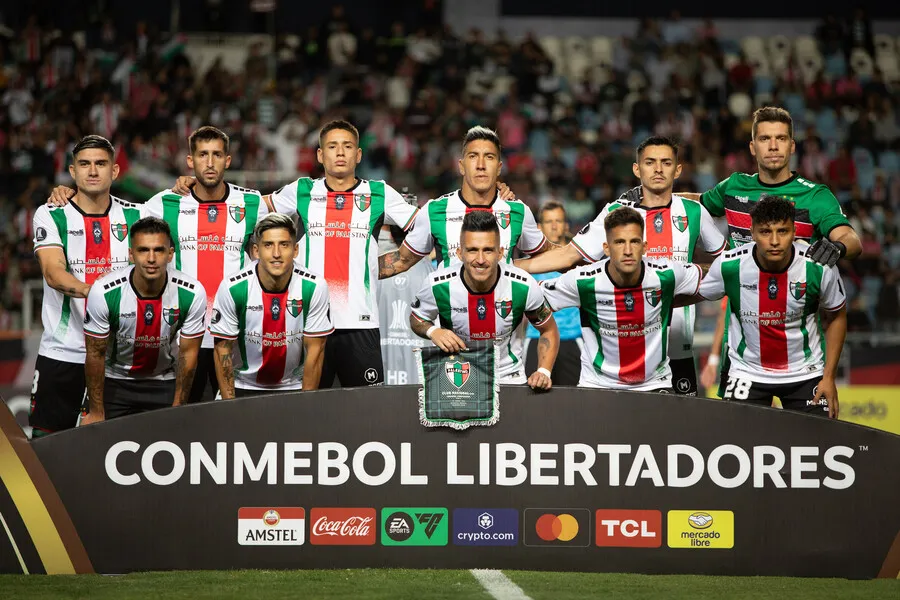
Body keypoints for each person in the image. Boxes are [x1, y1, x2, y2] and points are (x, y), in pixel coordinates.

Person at [49, 126, 270, 404]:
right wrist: (68, 195)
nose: (210, 162)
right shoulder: (163, 203)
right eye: (202, 155)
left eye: (216, 155)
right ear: (191, 161)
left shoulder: (252, 203)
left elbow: (276, 244)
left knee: (236, 422)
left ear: (228, 160)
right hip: (184, 338)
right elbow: (112, 213)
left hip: (234, 339)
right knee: (186, 424)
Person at [517, 136, 726, 395]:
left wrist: (674, 297)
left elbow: (723, 267)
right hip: (621, 340)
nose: (658, 169)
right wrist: (513, 266)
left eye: (665, 162)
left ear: (678, 169)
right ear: (637, 169)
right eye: (650, 162)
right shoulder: (616, 213)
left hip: (679, 339)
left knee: (675, 427)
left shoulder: (694, 212)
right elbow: (569, 255)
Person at [675, 107, 861, 393]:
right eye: (764, 139)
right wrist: (655, 196)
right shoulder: (734, 186)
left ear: (792, 145)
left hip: (799, 350)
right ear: (752, 146)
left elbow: (850, 238)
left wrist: (837, 246)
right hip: (742, 350)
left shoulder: (814, 196)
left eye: (781, 138)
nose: (773, 146)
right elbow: (696, 203)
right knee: (738, 438)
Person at [266, 120, 417, 389]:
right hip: (309, 323)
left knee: (367, 415)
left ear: (358, 155)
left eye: (347, 146)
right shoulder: (302, 191)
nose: (340, 152)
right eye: (332, 146)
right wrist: (191, 190)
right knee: (307, 413)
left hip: (361, 324)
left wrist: (400, 260)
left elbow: (426, 224)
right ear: (320, 155)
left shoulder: (378, 193)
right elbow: (249, 208)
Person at [679, 196, 847, 418]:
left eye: (783, 231)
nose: (775, 241)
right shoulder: (730, 264)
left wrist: (829, 377)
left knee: (818, 447)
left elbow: (837, 316)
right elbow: (696, 294)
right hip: (747, 373)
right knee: (737, 448)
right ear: (752, 232)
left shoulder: (819, 266)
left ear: (795, 231)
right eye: (766, 232)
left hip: (806, 373)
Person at [30, 135, 142, 436]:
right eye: (85, 164)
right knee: (45, 447)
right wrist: (99, 295)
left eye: (101, 163)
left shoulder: (137, 216)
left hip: (121, 357)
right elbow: (54, 273)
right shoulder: (51, 214)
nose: (93, 171)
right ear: (72, 171)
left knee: (121, 447)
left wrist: (185, 183)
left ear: (115, 171)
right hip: (63, 352)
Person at [540, 208, 703, 392]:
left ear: (644, 246)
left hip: (655, 385)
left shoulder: (667, 274)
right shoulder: (583, 281)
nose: (627, 250)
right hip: (598, 386)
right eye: (619, 242)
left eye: (634, 241)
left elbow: (718, 279)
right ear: (606, 248)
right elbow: (530, 299)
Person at [409, 211, 559, 389]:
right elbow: (417, 318)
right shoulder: (437, 284)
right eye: (472, 250)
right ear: (459, 253)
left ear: (500, 253)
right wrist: (433, 331)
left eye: (488, 250)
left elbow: (548, 331)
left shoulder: (523, 285)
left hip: (509, 379)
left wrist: (543, 371)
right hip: (458, 379)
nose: (480, 260)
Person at [378, 126, 549, 278]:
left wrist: (512, 266)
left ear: (499, 167)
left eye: (489, 157)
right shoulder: (435, 211)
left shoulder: (518, 211)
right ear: (461, 166)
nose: (481, 165)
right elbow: (401, 260)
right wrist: (355, 271)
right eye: (473, 156)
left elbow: (551, 254)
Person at [81, 218, 207, 423]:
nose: (151, 258)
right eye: (143, 250)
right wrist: (96, 411)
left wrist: (179, 406)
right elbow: (95, 353)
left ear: (170, 254)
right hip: (114, 381)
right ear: (131, 254)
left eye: (158, 250)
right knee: (94, 447)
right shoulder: (104, 291)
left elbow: (189, 355)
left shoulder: (191, 293)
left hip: (164, 380)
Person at [209, 214, 333, 398]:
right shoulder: (233, 288)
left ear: (295, 249)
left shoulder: (314, 286)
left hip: (293, 388)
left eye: (284, 244)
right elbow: (222, 350)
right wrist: (230, 404)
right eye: (268, 245)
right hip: (242, 385)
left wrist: (307, 406)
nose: (276, 253)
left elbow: (315, 351)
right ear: (256, 251)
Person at [376, 192, 435, 386]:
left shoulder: (375, 269)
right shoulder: (434, 272)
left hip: (381, 376)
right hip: (422, 378)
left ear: (389, 232)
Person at [523, 201, 582, 386]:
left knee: (575, 400)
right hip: (536, 337)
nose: (555, 226)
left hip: (573, 339)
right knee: (533, 398)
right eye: (549, 221)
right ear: (539, 227)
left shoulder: (581, 262)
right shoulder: (528, 264)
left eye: (558, 220)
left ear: (566, 225)